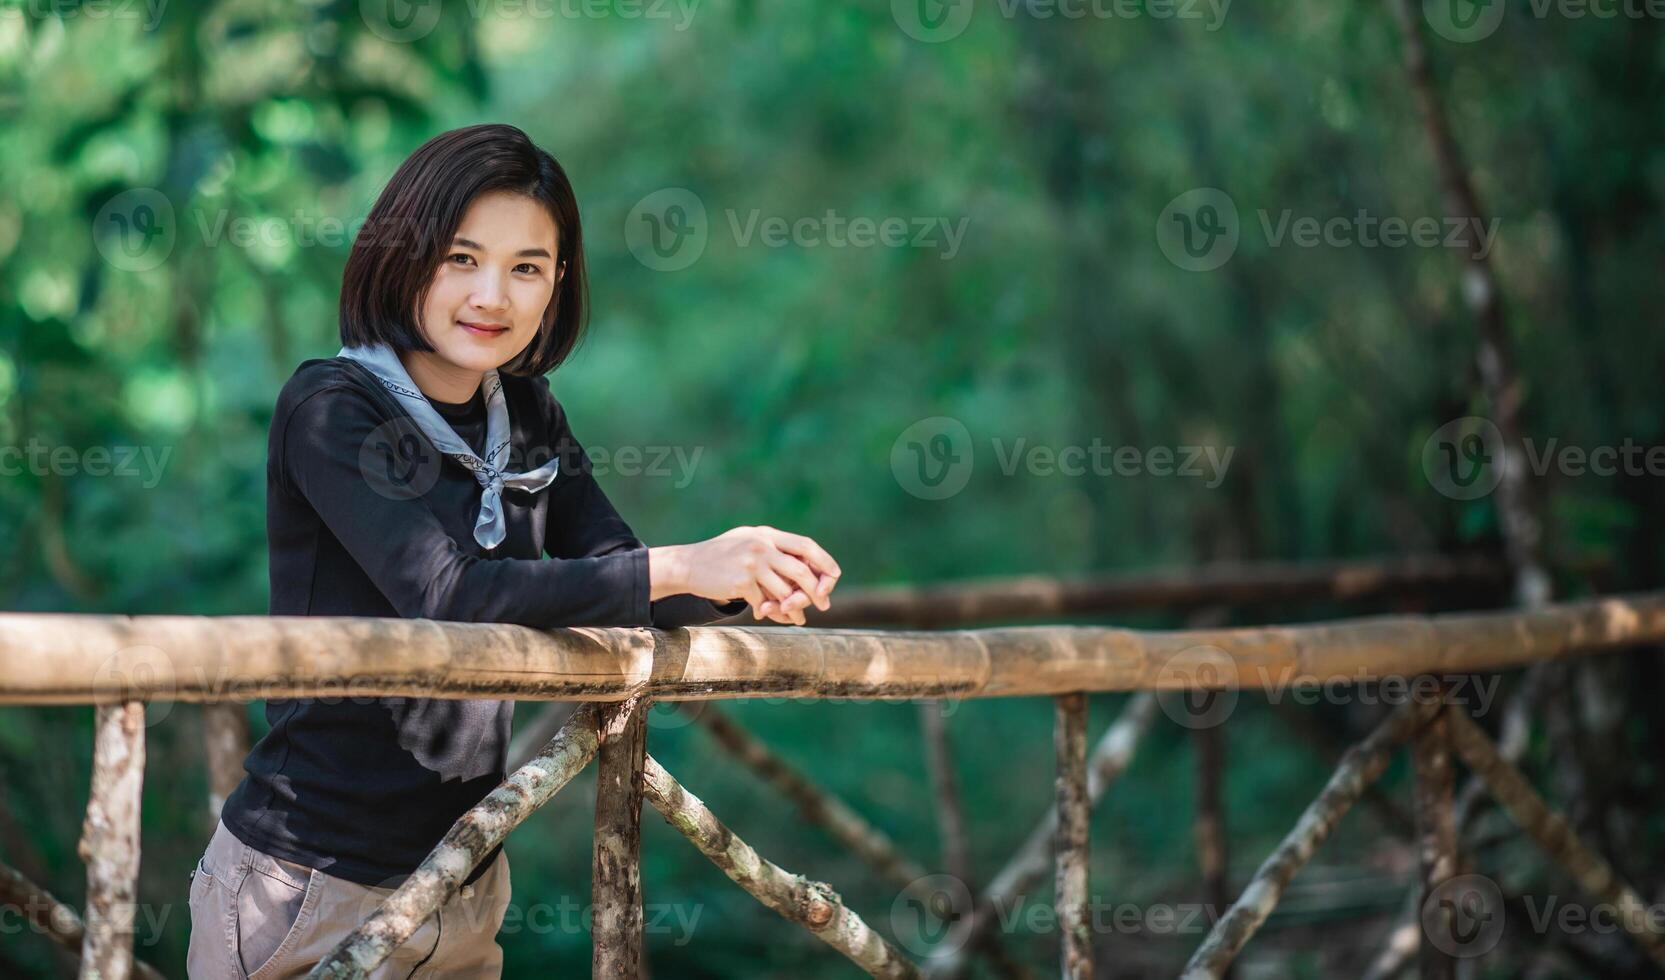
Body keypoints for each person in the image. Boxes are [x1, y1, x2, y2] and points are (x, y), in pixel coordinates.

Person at [186, 123, 840, 978]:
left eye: (526, 267)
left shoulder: (526, 412)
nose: (492, 294)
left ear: (557, 282)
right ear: (402, 254)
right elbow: (451, 593)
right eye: (461, 258)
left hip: (462, 875)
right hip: (307, 881)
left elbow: (619, 576)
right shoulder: (330, 405)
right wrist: (683, 564)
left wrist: (743, 579)